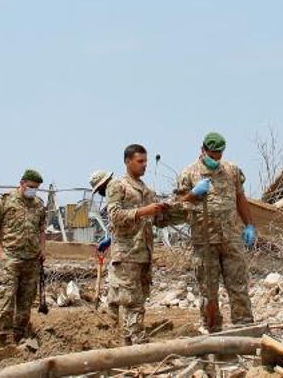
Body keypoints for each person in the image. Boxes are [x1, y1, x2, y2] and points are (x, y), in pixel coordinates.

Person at [175, 132, 257, 332]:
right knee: (208, 291)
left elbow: (240, 199)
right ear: (202, 150)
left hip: (230, 239)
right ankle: (213, 331)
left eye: (219, 155)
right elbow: (176, 205)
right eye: (212, 155)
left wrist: (249, 225)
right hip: (205, 242)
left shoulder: (232, 171)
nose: (215, 159)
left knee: (238, 286)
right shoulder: (189, 173)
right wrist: (193, 194)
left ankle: (244, 327)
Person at [104, 145, 179, 343]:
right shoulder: (117, 186)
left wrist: (175, 210)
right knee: (130, 301)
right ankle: (129, 341)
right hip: (126, 254)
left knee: (138, 298)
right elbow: (114, 216)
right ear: (128, 161)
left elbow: (158, 221)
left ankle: (127, 340)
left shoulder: (148, 191)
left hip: (143, 253)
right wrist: (144, 211)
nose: (144, 165)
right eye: (140, 161)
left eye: (146, 161)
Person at [0, 169, 48, 345]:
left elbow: (42, 230)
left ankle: (19, 337)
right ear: (21, 183)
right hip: (11, 258)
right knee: (6, 300)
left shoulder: (38, 205)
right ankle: (1, 340)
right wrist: (1, 254)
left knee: (26, 302)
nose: (33, 191)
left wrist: (43, 250)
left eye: (36, 188)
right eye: (30, 187)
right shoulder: (4, 201)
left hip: (31, 260)